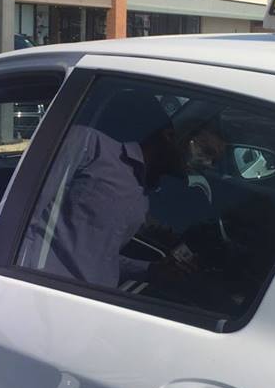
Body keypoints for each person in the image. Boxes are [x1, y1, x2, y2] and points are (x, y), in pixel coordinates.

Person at [19, 89, 224, 288]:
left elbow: (101, 260)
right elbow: (24, 216)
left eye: (214, 161)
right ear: (171, 136)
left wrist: (151, 271)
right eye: (204, 151)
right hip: (44, 291)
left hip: (96, 301)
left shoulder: (143, 198)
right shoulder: (89, 145)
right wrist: (21, 282)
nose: (207, 164)